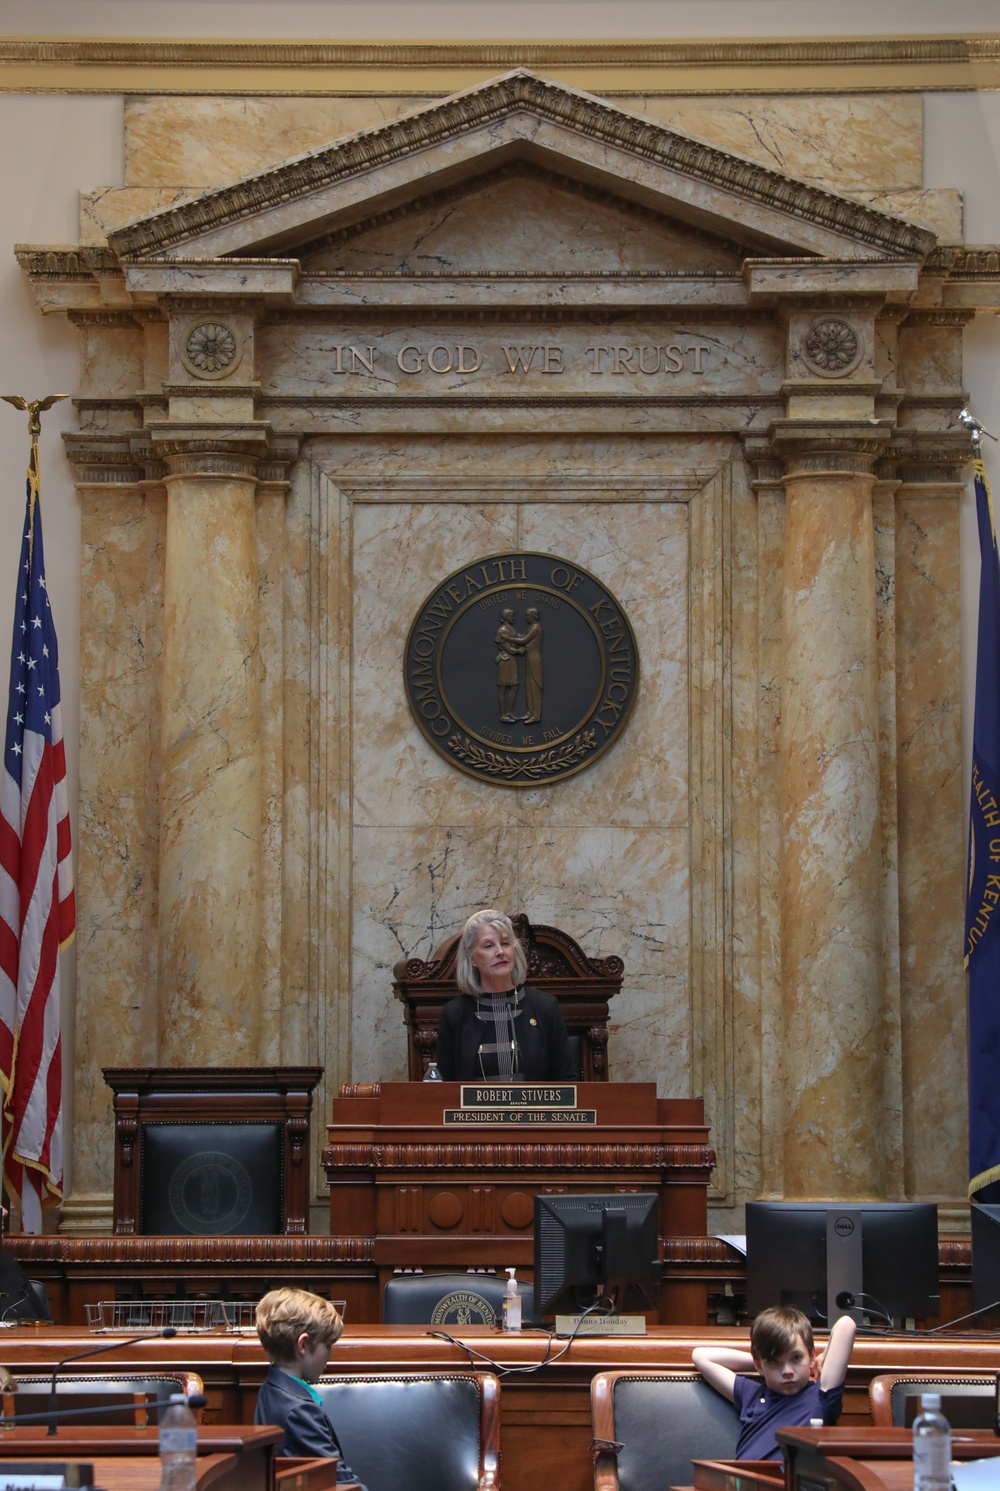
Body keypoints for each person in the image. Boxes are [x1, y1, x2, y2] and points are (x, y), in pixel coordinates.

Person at [692, 1306, 856, 1461]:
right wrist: (761, 1364)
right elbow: (701, 1356)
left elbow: (846, 1325)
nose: (787, 1371)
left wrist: (823, 1356)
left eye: (796, 1358)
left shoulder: (821, 1396)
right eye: (775, 1362)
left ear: (811, 1357)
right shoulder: (752, 1393)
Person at [435, 909, 575, 1081]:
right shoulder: (455, 1014)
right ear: (471, 957)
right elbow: (443, 1090)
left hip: (536, 1108)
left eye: (506, 943)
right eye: (488, 946)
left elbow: (566, 1080)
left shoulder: (544, 1007)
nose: (500, 951)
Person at [254, 1286, 362, 1481]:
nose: (330, 1356)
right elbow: (339, 1482)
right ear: (303, 1345)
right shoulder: (299, 1411)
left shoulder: (270, 1389)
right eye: (328, 1346)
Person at [517, 608, 543, 724]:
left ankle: (536, 715)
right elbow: (522, 636)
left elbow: (524, 640)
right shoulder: (531, 627)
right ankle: (530, 712)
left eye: (528, 615)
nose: (526, 617)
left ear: (534, 616)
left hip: (534, 660)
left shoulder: (536, 628)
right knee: (528, 686)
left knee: (535, 687)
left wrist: (507, 638)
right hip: (529, 659)